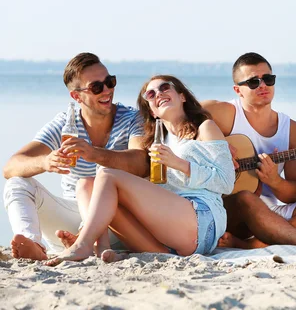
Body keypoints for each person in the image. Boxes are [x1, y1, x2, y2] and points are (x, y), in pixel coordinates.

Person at [46, 75, 240, 265]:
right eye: (151, 94)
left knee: (107, 174)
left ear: (182, 96)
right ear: (152, 111)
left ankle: (83, 244)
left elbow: (226, 182)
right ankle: (102, 249)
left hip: (201, 220)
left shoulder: (205, 128)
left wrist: (179, 163)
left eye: (165, 88)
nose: (158, 94)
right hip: (165, 237)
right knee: (86, 184)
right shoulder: (155, 143)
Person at [3, 53, 147, 261]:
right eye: (96, 87)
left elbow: (141, 162)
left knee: (97, 180)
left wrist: (94, 153)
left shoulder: (132, 118)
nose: (107, 90)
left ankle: (85, 239)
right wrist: (45, 162)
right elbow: (11, 166)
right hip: (71, 213)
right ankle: (32, 245)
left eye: (110, 82)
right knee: (17, 183)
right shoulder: (65, 124)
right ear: (76, 96)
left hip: (117, 222)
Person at [201, 52, 296, 248]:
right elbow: (179, 119)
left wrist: (274, 180)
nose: (263, 85)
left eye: (268, 79)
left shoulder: (293, 129)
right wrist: (216, 142)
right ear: (238, 90)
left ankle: (254, 244)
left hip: (270, 211)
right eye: (253, 82)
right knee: (246, 196)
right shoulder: (224, 113)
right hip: (223, 208)